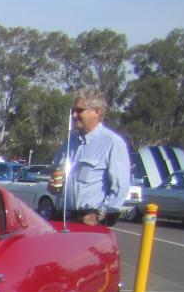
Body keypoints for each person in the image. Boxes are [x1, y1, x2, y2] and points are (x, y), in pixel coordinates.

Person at [48, 87, 131, 227]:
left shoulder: (112, 143)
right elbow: (55, 178)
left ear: (96, 112)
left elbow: (120, 188)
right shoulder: (69, 142)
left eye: (79, 110)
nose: (74, 115)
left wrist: (99, 215)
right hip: (61, 217)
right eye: (73, 111)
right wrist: (52, 185)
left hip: (88, 222)